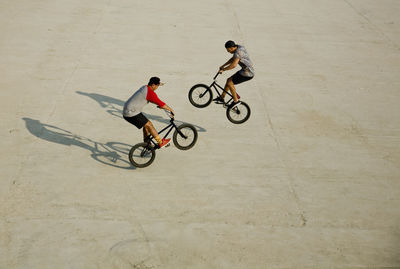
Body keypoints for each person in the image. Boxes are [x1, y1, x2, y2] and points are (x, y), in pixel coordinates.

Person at [123, 77, 174, 148]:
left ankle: (147, 144)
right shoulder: (150, 93)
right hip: (131, 113)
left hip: (130, 110)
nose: (157, 87)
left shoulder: (145, 87)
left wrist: (160, 84)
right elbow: (161, 103)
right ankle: (161, 142)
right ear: (153, 85)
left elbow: (156, 101)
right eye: (157, 86)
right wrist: (171, 110)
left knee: (147, 124)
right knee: (149, 125)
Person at [214, 40, 255, 107]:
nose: (228, 52)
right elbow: (233, 58)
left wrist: (223, 70)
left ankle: (236, 101)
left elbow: (233, 65)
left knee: (230, 83)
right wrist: (223, 65)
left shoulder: (238, 53)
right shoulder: (239, 47)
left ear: (231, 48)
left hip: (248, 73)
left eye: (228, 50)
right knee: (228, 80)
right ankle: (222, 97)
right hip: (245, 70)